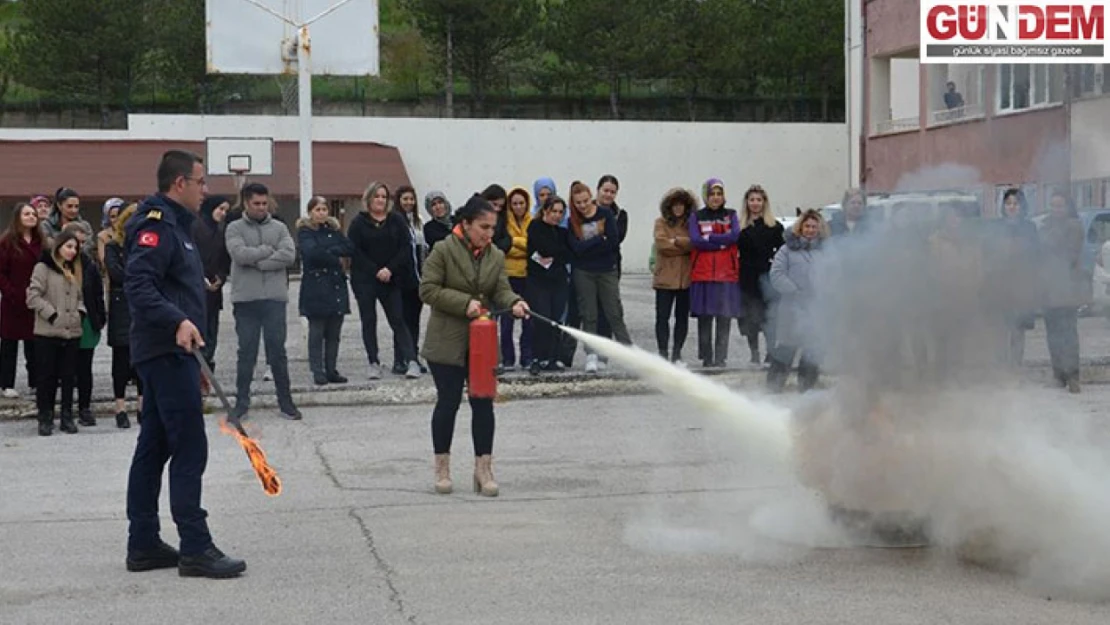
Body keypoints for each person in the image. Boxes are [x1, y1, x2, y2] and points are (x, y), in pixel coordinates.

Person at [124, 149, 246, 578]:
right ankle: (195, 546)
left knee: (155, 446)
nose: (206, 189)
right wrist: (177, 321)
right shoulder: (155, 227)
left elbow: (176, 290)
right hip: (165, 351)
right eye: (201, 181)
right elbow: (138, 286)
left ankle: (142, 544)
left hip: (179, 354)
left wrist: (194, 357)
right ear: (180, 183)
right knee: (190, 446)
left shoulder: (181, 227)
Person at [419, 194, 530, 497]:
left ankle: (484, 469)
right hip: (446, 341)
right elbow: (427, 289)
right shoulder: (443, 249)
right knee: (449, 402)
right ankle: (442, 467)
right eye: (483, 227)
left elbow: (501, 289)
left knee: (483, 403)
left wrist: (516, 303)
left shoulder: (494, 255)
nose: (488, 233)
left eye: (493, 228)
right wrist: (463, 303)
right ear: (465, 224)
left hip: (481, 342)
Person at [224, 183, 302, 421]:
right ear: (246, 203)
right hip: (245, 300)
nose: (260, 208)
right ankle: (241, 404)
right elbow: (239, 254)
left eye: (264, 203)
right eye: (256, 204)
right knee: (246, 352)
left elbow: (289, 255)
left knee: (277, 352)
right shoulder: (234, 228)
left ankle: (286, 402)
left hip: (274, 300)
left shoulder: (279, 227)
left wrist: (260, 261)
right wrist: (267, 251)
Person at [348, 181, 422, 380]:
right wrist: (376, 270)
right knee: (369, 320)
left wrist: (389, 268)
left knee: (398, 319)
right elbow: (355, 251)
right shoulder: (358, 223)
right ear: (368, 199)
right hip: (365, 280)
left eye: (383, 196)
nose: (380, 200)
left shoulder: (396, 220)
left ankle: (411, 360)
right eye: (376, 196)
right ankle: (373, 362)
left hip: (392, 278)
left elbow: (406, 247)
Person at [26, 232, 85, 436]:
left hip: (72, 332)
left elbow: (80, 296)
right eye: (69, 246)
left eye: (75, 248)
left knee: (69, 377)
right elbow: (32, 296)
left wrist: (80, 312)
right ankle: (45, 416)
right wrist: (51, 314)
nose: (72, 251)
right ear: (58, 246)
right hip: (48, 332)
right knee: (46, 377)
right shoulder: (43, 268)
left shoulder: (74, 269)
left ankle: (67, 416)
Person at [767, 209, 828, 393]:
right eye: (807, 226)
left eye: (814, 227)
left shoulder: (826, 251)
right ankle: (773, 387)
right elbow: (776, 274)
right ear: (800, 227)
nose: (810, 230)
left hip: (816, 308)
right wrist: (794, 290)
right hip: (791, 307)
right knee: (786, 347)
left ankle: (807, 387)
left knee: (812, 349)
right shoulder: (786, 250)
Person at [297, 196, 355, 385]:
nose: (321, 213)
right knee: (317, 331)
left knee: (334, 332)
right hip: (316, 286)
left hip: (335, 284)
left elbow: (348, 247)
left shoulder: (333, 230)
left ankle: (331, 369)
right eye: (317, 210)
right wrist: (332, 253)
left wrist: (329, 251)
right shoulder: (305, 232)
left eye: (324, 209)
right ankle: (317, 370)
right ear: (310, 212)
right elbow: (312, 253)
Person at [689, 178, 742, 368]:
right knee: (705, 317)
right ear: (706, 196)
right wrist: (721, 242)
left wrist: (711, 238)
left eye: (719, 194)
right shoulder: (697, 216)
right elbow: (696, 240)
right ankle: (707, 357)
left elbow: (735, 235)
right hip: (703, 274)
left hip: (726, 273)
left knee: (724, 317)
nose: (716, 198)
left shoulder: (731, 214)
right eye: (712, 194)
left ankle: (721, 357)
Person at [1039, 191, 1085, 393]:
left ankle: (1073, 376)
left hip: (1067, 289)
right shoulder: (1045, 225)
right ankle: (1058, 375)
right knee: (1053, 334)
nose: (1056, 209)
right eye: (1053, 205)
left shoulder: (1074, 226)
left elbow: (1069, 253)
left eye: (1060, 206)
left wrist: (1050, 234)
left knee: (1068, 334)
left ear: (1067, 207)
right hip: (1048, 289)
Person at [63, 222, 106, 427]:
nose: (77, 248)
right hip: (64, 321)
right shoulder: (56, 264)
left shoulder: (89, 264)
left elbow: (97, 293)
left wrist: (100, 317)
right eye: (73, 243)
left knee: (84, 367)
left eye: (81, 243)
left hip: (87, 321)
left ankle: (84, 407)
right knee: (66, 369)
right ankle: (65, 410)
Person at [104, 204, 143, 428]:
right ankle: (120, 406)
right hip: (121, 305)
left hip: (140, 305)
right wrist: (138, 277)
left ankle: (141, 405)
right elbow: (116, 273)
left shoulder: (144, 245)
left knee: (141, 358)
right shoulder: (113, 246)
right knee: (121, 358)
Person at [736, 184, 784, 365]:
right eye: (752, 200)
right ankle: (754, 353)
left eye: (759, 200)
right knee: (750, 318)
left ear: (764, 203)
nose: (755, 203)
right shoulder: (739, 227)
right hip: (747, 277)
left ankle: (771, 352)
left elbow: (781, 252)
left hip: (767, 277)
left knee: (769, 317)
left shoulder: (774, 227)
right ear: (747, 203)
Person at [0, 202, 44, 398]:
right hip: (13, 300)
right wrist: (10, 293)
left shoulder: (42, 242)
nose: (31, 217)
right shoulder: (7, 242)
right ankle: (6, 384)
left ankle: (36, 381)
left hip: (36, 299)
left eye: (33, 214)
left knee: (34, 343)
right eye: (27, 214)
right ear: (18, 217)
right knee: (9, 343)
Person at [526, 195, 573, 375]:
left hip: (558, 281)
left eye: (561, 212)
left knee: (555, 319)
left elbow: (568, 254)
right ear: (545, 210)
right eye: (554, 211)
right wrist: (556, 253)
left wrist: (556, 254)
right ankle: (538, 357)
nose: (557, 215)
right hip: (538, 281)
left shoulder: (562, 232)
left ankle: (553, 357)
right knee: (541, 319)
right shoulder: (535, 227)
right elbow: (542, 249)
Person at [653, 188, 697, 365]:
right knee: (662, 317)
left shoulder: (691, 224)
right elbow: (661, 244)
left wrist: (676, 241)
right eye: (675, 205)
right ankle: (662, 352)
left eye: (682, 205)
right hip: (664, 279)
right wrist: (683, 244)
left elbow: (695, 243)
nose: (678, 209)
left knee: (682, 318)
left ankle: (677, 353)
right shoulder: (660, 222)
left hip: (685, 279)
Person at [192, 196, 232, 372]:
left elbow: (224, 259)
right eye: (220, 209)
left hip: (214, 291)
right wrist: (201, 277)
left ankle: (208, 369)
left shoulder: (222, 230)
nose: (223, 214)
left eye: (225, 210)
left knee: (211, 332)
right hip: (196, 288)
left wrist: (221, 277)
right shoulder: (195, 227)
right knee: (198, 331)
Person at [500, 186, 534, 371]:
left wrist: (515, 241)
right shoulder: (504, 222)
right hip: (508, 276)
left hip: (527, 276)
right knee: (507, 320)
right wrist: (519, 244)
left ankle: (527, 357)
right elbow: (504, 246)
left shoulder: (533, 221)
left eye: (521, 203)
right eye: (514, 203)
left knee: (528, 319)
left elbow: (533, 246)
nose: (518, 207)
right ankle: (507, 358)